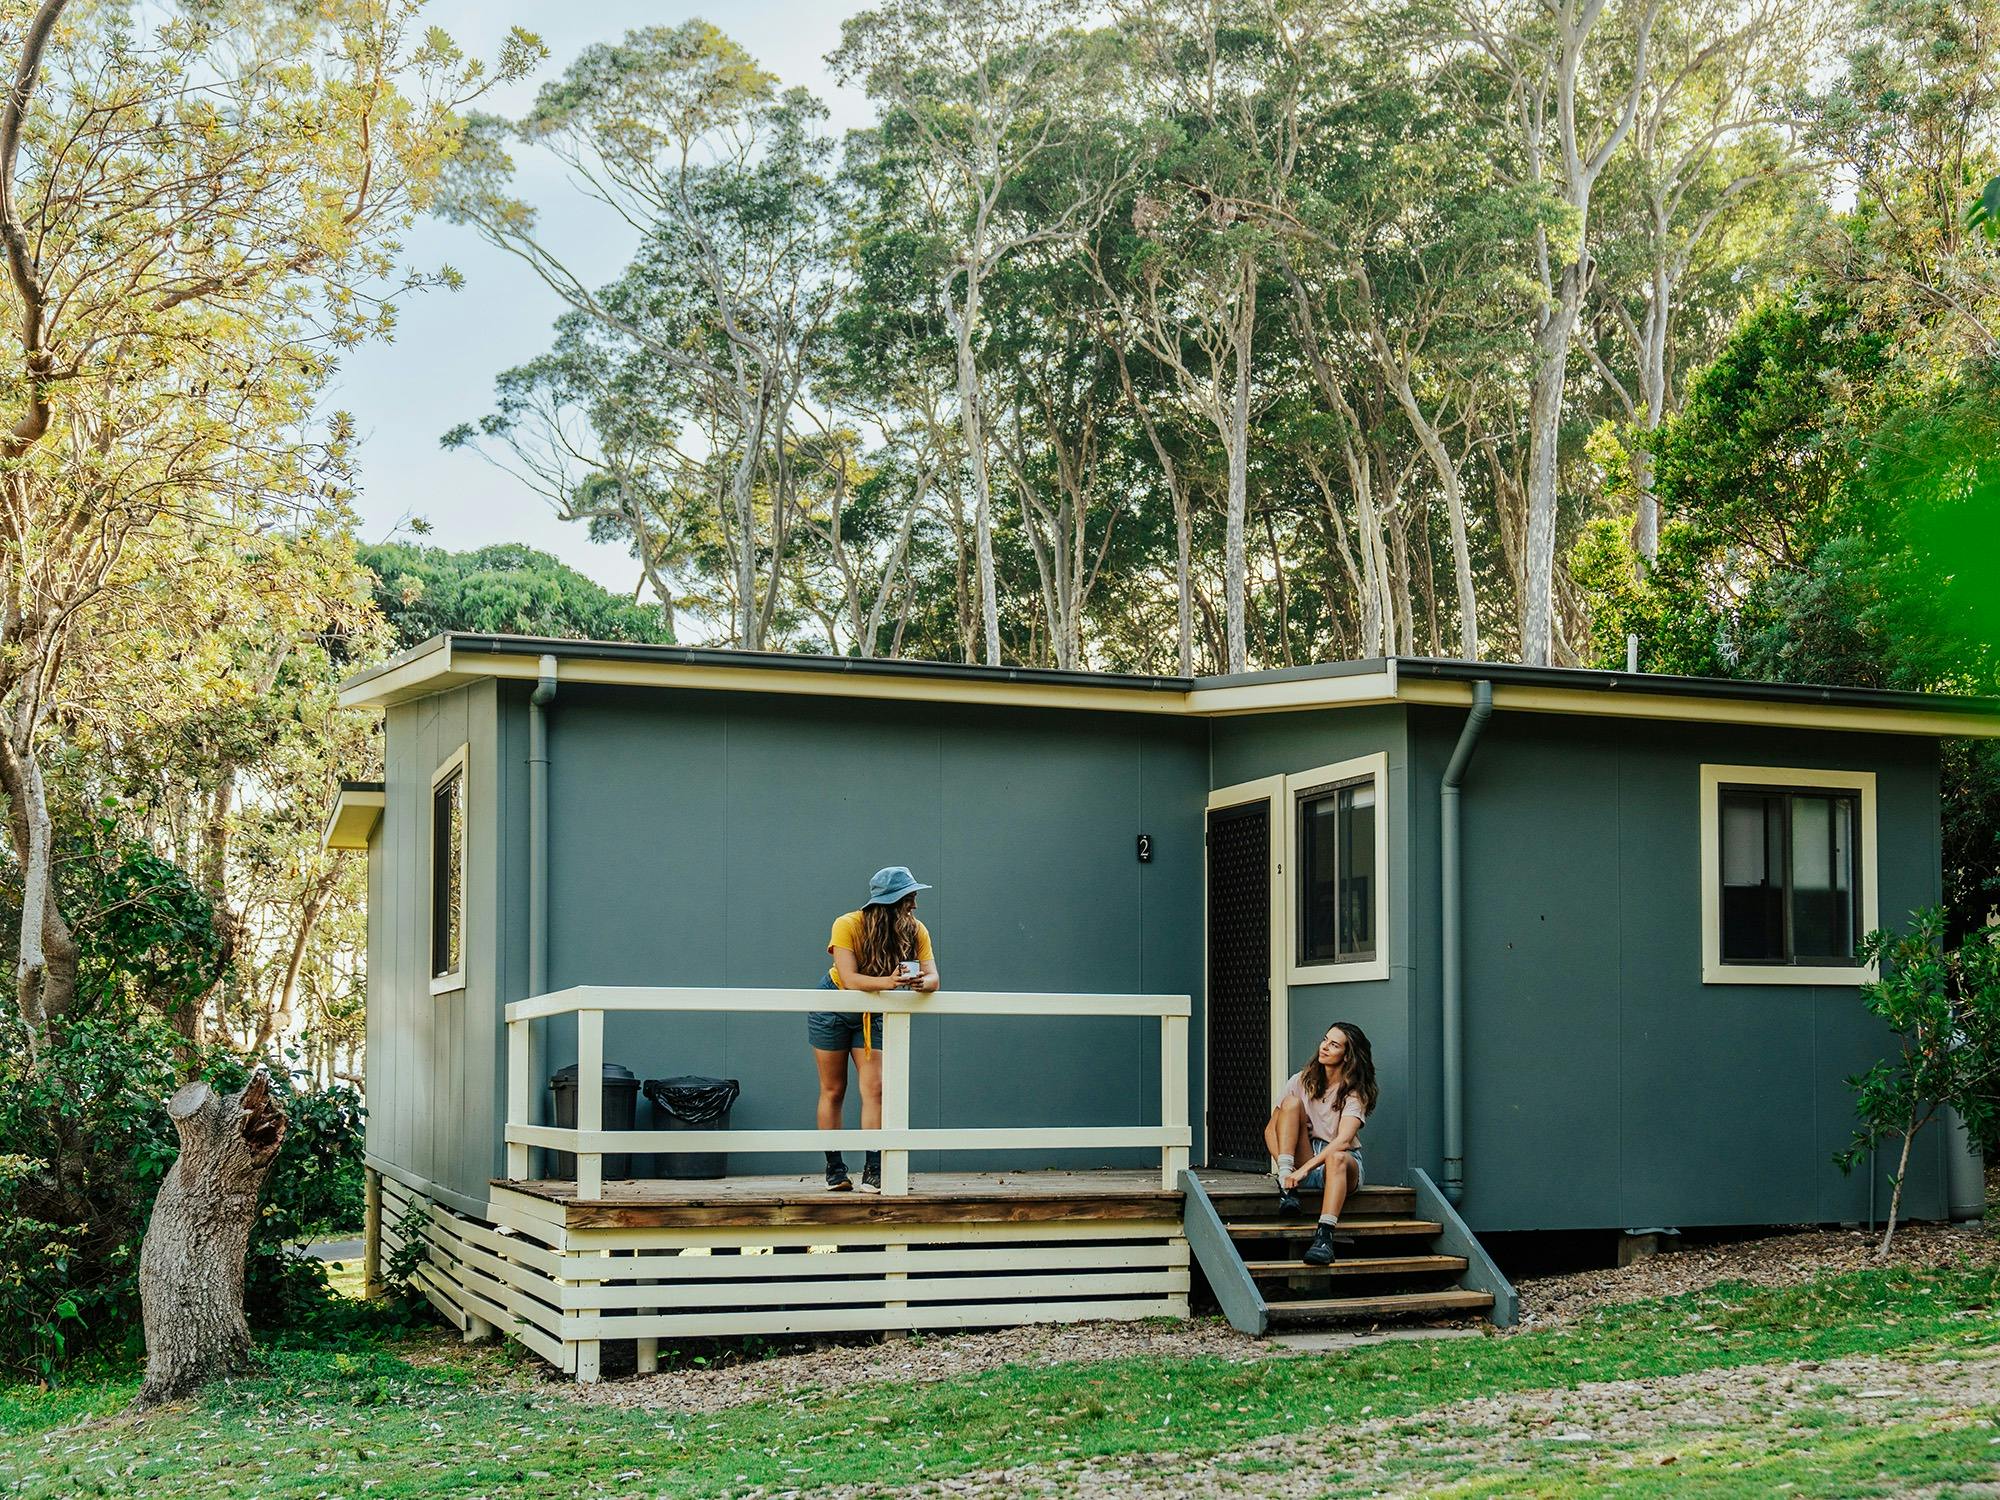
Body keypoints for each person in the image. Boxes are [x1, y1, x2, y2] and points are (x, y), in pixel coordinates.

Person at [810, 865, 940, 1192]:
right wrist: (891, 981)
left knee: (875, 1089)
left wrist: (919, 983)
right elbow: (850, 978)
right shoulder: (847, 924)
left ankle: (873, 1168)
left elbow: (934, 977)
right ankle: (835, 1169)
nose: (914, 904)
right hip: (835, 1004)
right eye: (909, 897)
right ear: (891, 901)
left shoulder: (917, 930)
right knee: (833, 1089)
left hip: (876, 1006)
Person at [1261, 1022, 1378, 1266]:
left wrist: (1303, 1170)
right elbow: (1271, 1130)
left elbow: (1344, 1141)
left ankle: (1324, 1238)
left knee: (1335, 1156)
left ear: (1347, 1056)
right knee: (1291, 1104)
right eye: (1325, 1039)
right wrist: (1287, 1174)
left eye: (1334, 1045)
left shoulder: (1355, 1092)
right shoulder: (1300, 1080)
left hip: (1342, 1164)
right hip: (1303, 1155)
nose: (1324, 1047)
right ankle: (1288, 1193)